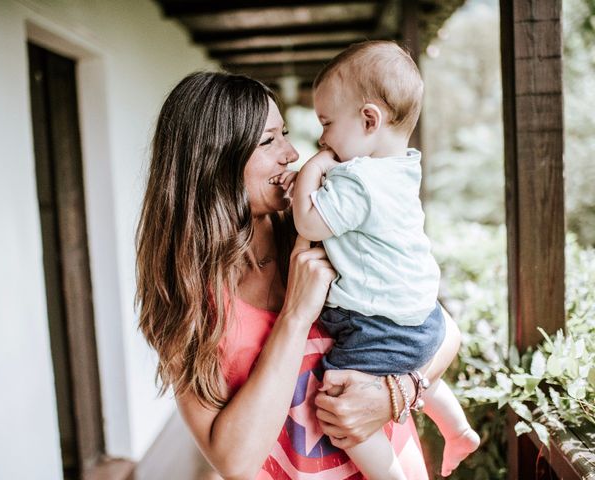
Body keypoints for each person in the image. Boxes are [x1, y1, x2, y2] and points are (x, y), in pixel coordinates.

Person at [136, 70, 462, 480]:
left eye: (285, 134)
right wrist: (294, 316)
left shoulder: (321, 228)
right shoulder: (183, 296)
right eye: (268, 140)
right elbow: (235, 462)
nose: (291, 153)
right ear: (215, 161)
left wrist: (392, 395)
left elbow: (444, 332)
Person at [292, 41, 480, 479]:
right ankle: (456, 429)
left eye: (326, 124)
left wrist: (312, 168)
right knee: (412, 366)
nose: (322, 138)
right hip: (421, 316)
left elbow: (308, 222)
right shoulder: (403, 167)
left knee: (341, 412)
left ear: (369, 119)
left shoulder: (358, 180)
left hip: (376, 323)